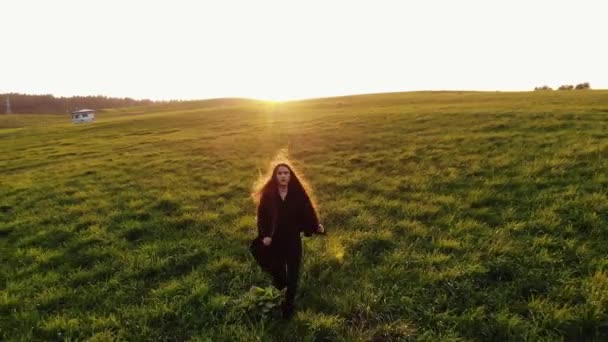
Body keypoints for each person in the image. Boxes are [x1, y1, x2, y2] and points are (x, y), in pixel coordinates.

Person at [251, 161, 326, 319]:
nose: (283, 176)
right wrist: (265, 235)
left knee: (293, 274)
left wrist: (315, 225)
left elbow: (308, 210)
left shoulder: (297, 193)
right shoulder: (269, 194)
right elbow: (262, 217)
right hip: (275, 240)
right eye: (280, 173)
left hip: (293, 239)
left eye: (286, 173)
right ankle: (280, 284)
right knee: (278, 271)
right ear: (275, 176)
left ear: (290, 176)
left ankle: (289, 305)